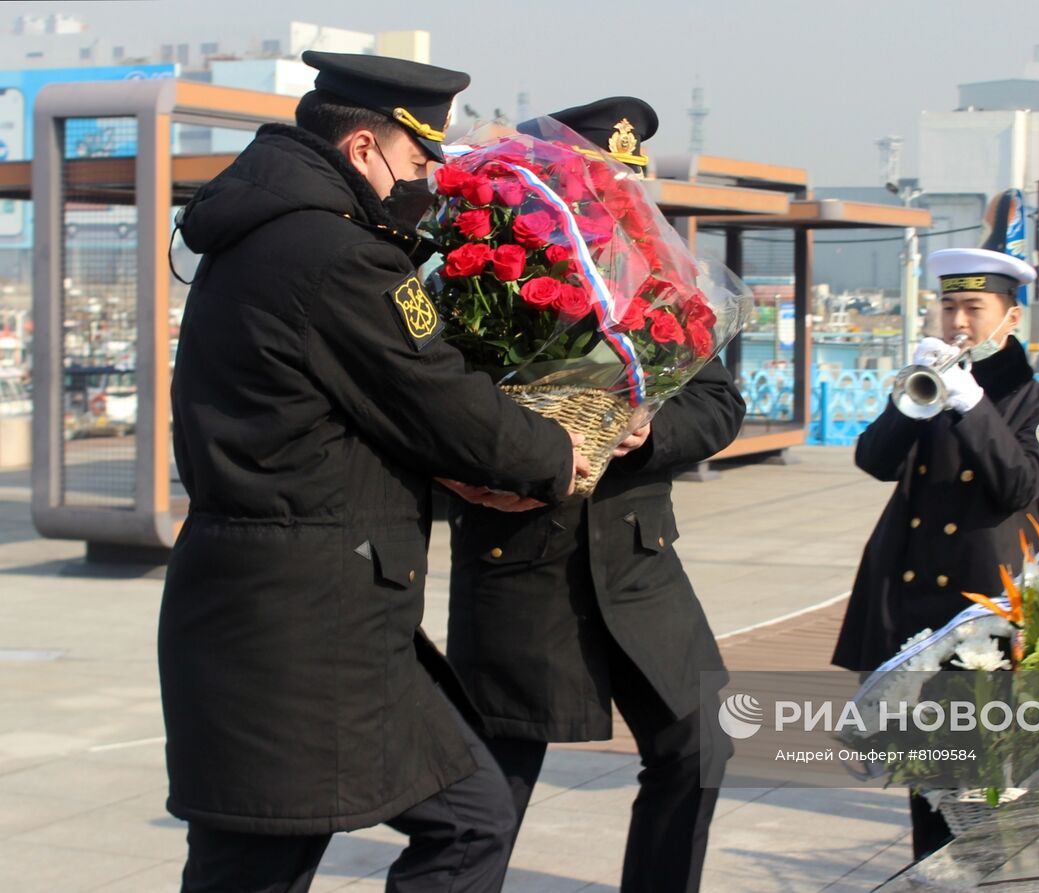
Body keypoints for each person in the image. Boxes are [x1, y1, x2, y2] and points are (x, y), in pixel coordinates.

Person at [159, 51, 589, 893]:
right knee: (266, 861)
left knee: (466, 817)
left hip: (307, 606)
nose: (429, 179)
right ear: (363, 150)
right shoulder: (335, 254)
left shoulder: (278, 232)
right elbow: (434, 395)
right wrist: (560, 452)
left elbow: (336, 420)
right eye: (421, 160)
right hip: (298, 625)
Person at [444, 97, 746, 893]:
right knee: (489, 792)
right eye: (606, 182)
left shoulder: (663, 280)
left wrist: (653, 432)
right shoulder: (502, 253)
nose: (621, 201)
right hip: (523, 562)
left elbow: (718, 405)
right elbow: (435, 404)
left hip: (639, 564)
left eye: (630, 187)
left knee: (701, 742)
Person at [832, 248, 1039, 859]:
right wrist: (913, 399)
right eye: (949, 306)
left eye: (974, 307)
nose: (959, 322)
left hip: (983, 612)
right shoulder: (930, 387)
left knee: (989, 779)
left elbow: (1018, 485)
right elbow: (873, 460)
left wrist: (972, 405)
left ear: (1011, 317)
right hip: (914, 606)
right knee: (927, 776)